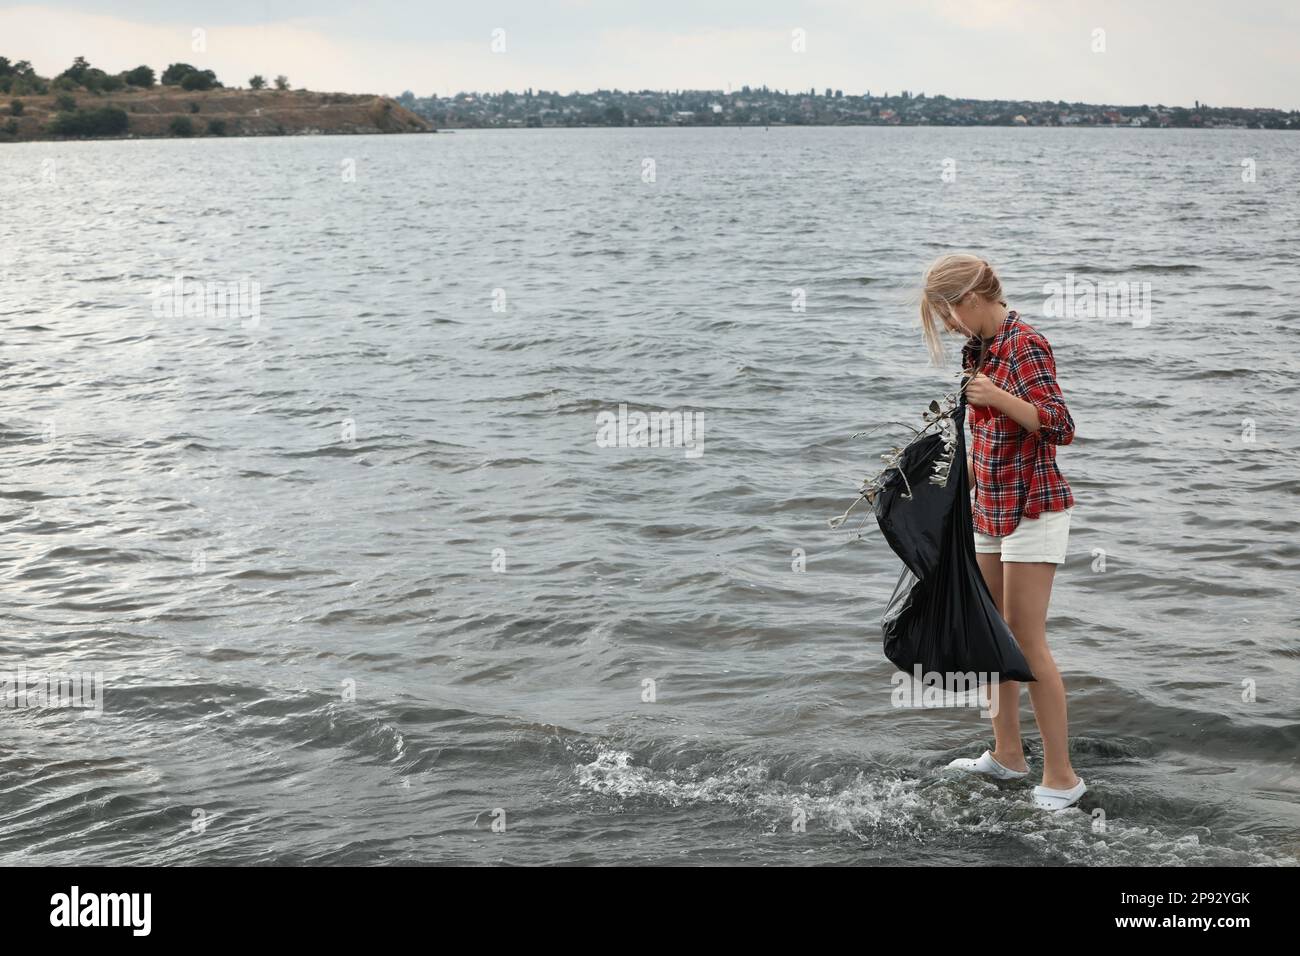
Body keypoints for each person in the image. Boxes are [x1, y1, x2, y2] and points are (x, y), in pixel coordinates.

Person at [918, 253, 1085, 812]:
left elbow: (1061, 425)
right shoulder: (977, 350)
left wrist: (999, 398)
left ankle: (1062, 777)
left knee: (1025, 637)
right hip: (988, 509)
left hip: (1035, 508)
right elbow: (985, 442)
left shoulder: (1025, 343)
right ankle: (1008, 755)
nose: (946, 327)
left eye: (945, 315)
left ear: (968, 300)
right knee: (991, 632)